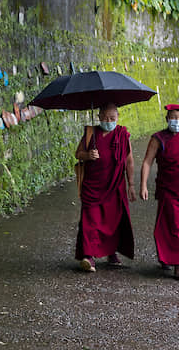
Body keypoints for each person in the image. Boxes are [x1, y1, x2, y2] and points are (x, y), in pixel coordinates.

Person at [139, 104, 179, 281]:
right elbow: (147, 162)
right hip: (168, 188)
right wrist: (143, 185)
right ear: (167, 119)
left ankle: (171, 257)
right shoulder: (158, 138)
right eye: (173, 118)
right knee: (173, 225)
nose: (176, 122)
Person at [74, 103, 136, 272]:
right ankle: (88, 256)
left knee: (112, 221)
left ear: (117, 118)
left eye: (112, 118)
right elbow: (78, 154)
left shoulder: (123, 135)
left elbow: (129, 161)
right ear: (99, 117)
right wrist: (88, 155)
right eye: (105, 118)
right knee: (90, 220)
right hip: (93, 185)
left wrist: (131, 184)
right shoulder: (90, 133)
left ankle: (111, 252)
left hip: (115, 186)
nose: (108, 121)